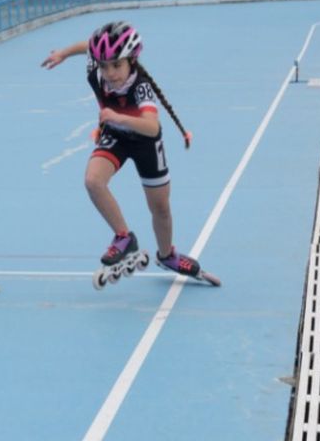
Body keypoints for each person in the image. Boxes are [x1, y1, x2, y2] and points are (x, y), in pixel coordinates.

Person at [40, 21, 214, 286]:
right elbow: (87, 47)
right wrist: (63, 53)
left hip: (145, 142)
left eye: (116, 65)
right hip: (116, 136)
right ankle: (124, 237)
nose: (110, 73)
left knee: (160, 209)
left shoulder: (140, 86)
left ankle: (167, 255)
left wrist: (118, 117)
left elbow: (152, 125)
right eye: (104, 65)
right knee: (93, 181)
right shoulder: (96, 71)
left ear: (132, 60)